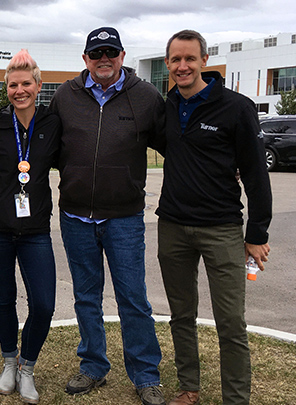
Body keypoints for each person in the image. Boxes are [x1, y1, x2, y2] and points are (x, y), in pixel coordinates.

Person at [48, 27, 166, 405]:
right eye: (96, 52)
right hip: (76, 216)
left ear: (122, 55)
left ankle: (145, 375)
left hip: (125, 218)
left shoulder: (146, 97)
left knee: (133, 298)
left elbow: (175, 145)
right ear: (85, 58)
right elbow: (43, 144)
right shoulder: (66, 96)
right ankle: (93, 366)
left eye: (110, 52)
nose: (104, 58)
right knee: (86, 296)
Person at [157, 29, 272, 405]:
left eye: (190, 58)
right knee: (181, 316)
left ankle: (235, 399)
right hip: (172, 226)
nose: (183, 66)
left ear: (205, 61)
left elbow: (256, 174)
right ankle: (189, 388)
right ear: (168, 64)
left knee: (231, 323)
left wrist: (256, 233)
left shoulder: (236, 107)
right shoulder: (167, 106)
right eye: (175, 60)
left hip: (222, 229)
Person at [0, 49, 60, 404]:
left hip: (35, 229)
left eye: (26, 83)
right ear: (6, 88)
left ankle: (28, 367)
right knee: (4, 298)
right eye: (13, 84)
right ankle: (9, 362)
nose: (20, 89)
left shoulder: (53, 123)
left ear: (38, 86)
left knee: (43, 304)